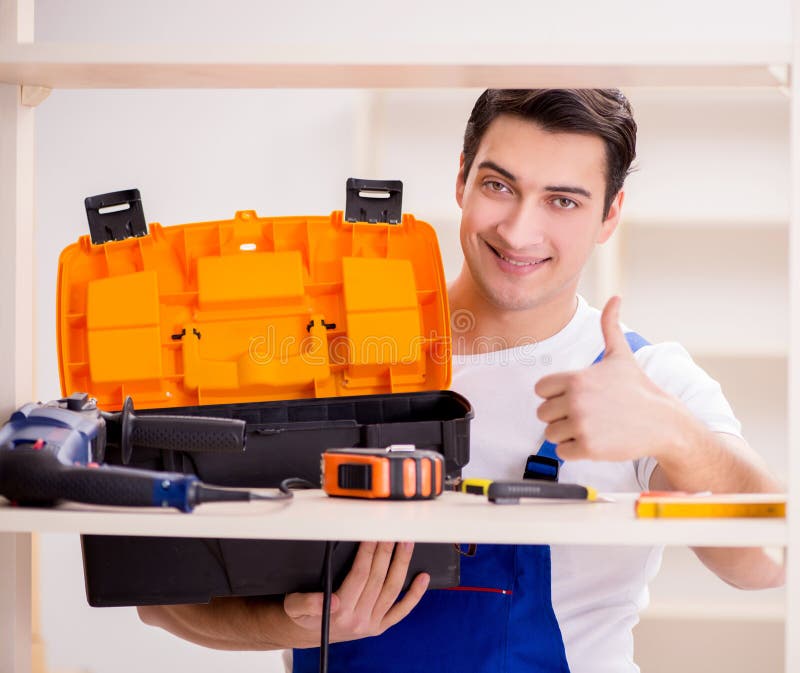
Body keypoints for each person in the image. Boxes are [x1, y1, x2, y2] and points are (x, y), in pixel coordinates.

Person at [138, 89, 785, 672]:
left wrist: (672, 433)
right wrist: (288, 623)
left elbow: (763, 562)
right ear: (461, 180)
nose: (519, 230)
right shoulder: (322, 358)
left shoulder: (645, 380)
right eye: (499, 186)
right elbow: (162, 598)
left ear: (610, 214)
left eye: (563, 200)